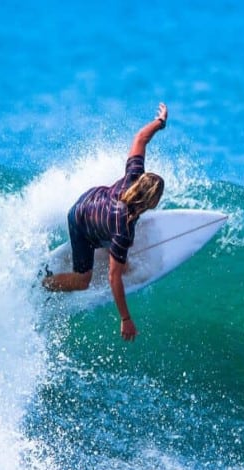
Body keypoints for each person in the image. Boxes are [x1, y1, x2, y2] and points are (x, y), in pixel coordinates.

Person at [43, 102, 168, 342]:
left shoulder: (133, 177)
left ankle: (108, 248)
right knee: (83, 281)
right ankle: (44, 283)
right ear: (150, 202)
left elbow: (140, 138)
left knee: (119, 252)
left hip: (89, 199)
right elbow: (113, 278)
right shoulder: (123, 230)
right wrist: (125, 319)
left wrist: (160, 123)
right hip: (80, 223)